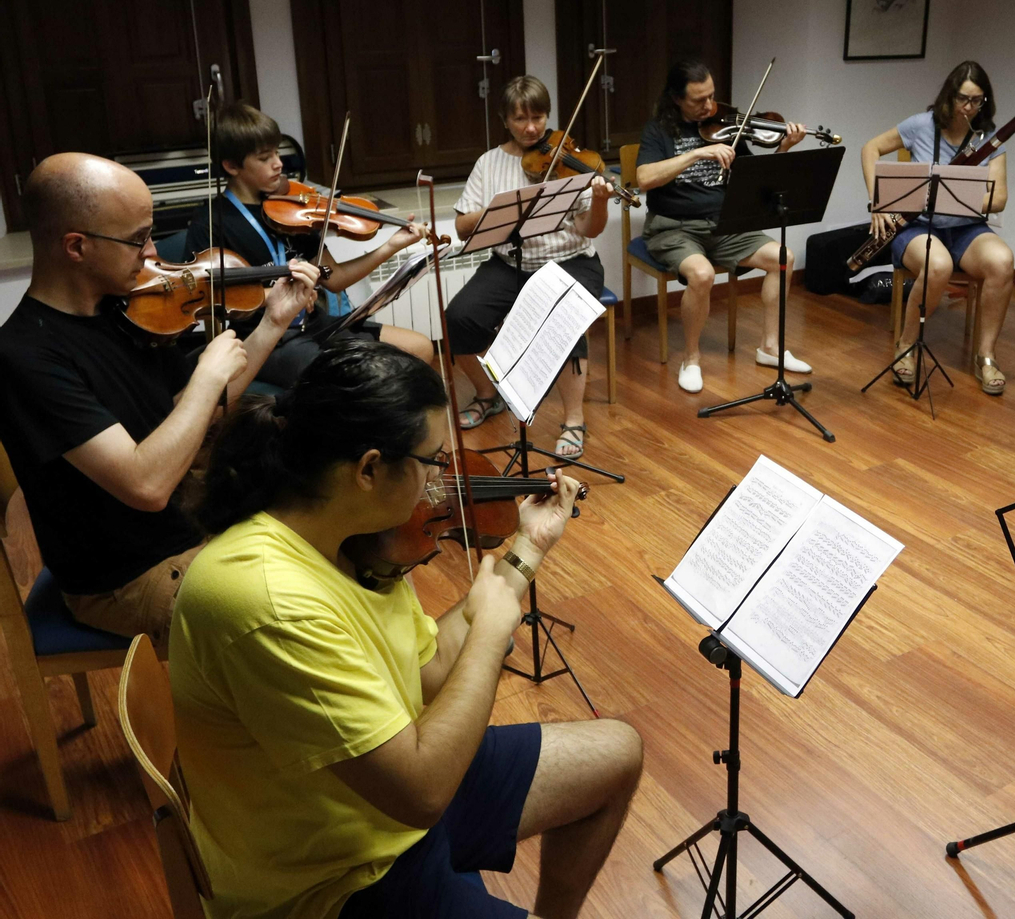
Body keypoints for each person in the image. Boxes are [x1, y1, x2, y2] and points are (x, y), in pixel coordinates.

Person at [168, 338, 642, 919]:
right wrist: (490, 638)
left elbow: (425, 672)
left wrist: (528, 550)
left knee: (618, 752)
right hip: (337, 879)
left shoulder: (353, 537)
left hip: (377, 804)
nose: (442, 479)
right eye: (432, 461)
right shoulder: (268, 601)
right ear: (369, 468)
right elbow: (422, 793)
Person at [0, 153, 319, 650]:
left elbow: (190, 420)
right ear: (76, 246)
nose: (152, 253)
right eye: (137, 239)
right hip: (128, 578)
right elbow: (145, 485)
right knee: (301, 618)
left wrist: (272, 324)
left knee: (336, 544)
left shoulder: (125, 311)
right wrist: (207, 376)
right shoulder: (25, 356)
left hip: (192, 521)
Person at [187, 101, 435, 388]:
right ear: (231, 166)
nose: (278, 163)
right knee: (359, 379)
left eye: (277, 152)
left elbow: (336, 279)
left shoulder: (292, 208)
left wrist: (391, 246)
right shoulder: (212, 222)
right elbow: (208, 296)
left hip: (316, 325)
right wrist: (278, 296)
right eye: (265, 158)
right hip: (265, 339)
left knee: (419, 349)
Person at [445, 76, 609, 457]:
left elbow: (589, 229)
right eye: (521, 119)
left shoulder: (568, 161)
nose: (532, 128)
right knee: (458, 317)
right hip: (509, 264)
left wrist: (600, 201)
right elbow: (462, 226)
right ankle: (488, 395)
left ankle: (574, 419)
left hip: (570, 261)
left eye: (538, 117)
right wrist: (503, 209)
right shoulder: (488, 163)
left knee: (564, 314)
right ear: (505, 119)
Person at [635, 58, 810, 394]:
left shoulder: (727, 127)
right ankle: (691, 358)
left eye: (712, 96)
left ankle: (770, 348)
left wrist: (785, 146)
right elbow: (643, 178)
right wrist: (696, 154)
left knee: (784, 258)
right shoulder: (658, 131)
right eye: (699, 100)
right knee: (701, 275)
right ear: (676, 98)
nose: (709, 105)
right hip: (674, 228)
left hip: (725, 225)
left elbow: (757, 179)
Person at [861, 61, 1015, 394]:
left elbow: (999, 198)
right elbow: (870, 148)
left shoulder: (987, 139)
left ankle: (986, 356)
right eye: (963, 99)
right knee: (938, 265)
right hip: (916, 227)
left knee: (1002, 261)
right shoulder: (921, 125)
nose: (969, 108)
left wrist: (956, 198)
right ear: (949, 95)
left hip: (966, 229)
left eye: (977, 101)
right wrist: (878, 200)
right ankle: (906, 345)